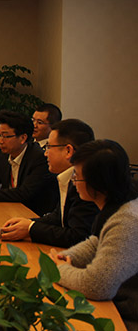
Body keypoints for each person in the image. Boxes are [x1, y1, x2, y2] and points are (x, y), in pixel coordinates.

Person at [49, 140, 138, 331]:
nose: (74, 182)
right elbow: (96, 242)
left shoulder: (128, 221)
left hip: (127, 317)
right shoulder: (117, 206)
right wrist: (66, 257)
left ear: (98, 183)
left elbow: (97, 286)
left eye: (77, 176)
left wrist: (60, 270)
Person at [1, 119, 99, 247]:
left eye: (49, 147)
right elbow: (58, 217)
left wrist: (31, 228)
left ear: (68, 151)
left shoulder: (84, 184)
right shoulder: (68, 177)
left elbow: (79, 237)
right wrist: (27, 223)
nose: (45, 154)